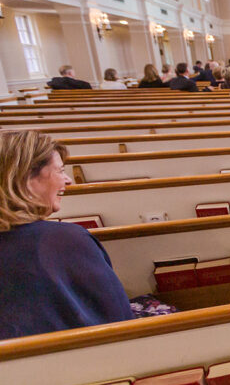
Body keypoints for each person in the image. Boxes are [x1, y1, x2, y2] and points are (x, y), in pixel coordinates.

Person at [0, 132, 133, 339]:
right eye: (60, 171)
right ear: (26, 178)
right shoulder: (65, 241)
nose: (68, 180)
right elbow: (121, 320)